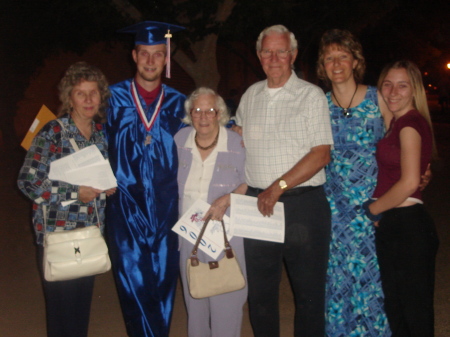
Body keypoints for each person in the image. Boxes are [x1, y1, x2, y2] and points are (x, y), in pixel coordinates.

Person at [235, 25, 334, 337]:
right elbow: (236, 143)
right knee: (261, 296)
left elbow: (321, 154)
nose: (274, 57)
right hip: (256, 205)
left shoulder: (310, 95)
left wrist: (277, 188)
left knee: (308, 295)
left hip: (302, 205)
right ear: (259, 55)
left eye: (281, 51)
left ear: (292, 55)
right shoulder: (250, 96)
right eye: (267, 51)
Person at [17, 61, 113, 337]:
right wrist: (75, 193)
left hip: (89, 236)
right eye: (80, 93)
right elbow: (27, 181)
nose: (88, 100)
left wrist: (103, 188)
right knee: (62, 316)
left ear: (101, 97)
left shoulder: (99, 136)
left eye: (93, 93)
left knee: (80, 314)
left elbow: (92, 183)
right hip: (59, 236)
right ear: (69, 97)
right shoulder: (52, 132)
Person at [105, 21, 186, 337]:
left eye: (158, 55)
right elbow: (80, 126)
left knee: (165, 283)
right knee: (133, 284)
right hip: (125, 207)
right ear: (134, 56)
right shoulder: (112, 98)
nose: (151, 61)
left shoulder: (180, 103)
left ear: (166, 59)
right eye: (145, 54)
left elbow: (213, 124)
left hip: (169, 208)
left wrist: (235, 127)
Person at [316, 29, 391, 336]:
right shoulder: (318, 103)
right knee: (337, 280)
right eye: (329, 57)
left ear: (355, 61)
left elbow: (401, 143)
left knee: (373, 281)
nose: (336, 63)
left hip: (373, 208)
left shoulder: (378, 98)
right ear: (322, 64)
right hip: (333, 209)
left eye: (342, 56)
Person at [365, 60, 438, 337]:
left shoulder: (409, 124)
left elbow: (408, 183)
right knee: (397, 311)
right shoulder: (396, 122)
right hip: (397, 224)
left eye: (402, 85)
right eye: (388, 84)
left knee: (413, 313)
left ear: (414, 89)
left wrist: (373, 210)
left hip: (408, 226)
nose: (393, 91)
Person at [175, 87, 248, 337]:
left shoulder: (237, 142)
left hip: (226, 235)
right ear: (189, 114)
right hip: (188, 234)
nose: (203, 116)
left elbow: (252, 180)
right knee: (195, 300)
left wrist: (230, 197)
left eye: (210, 110)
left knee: (227, 301)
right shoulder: (179, 140)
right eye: (197, 110)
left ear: (220, 114)